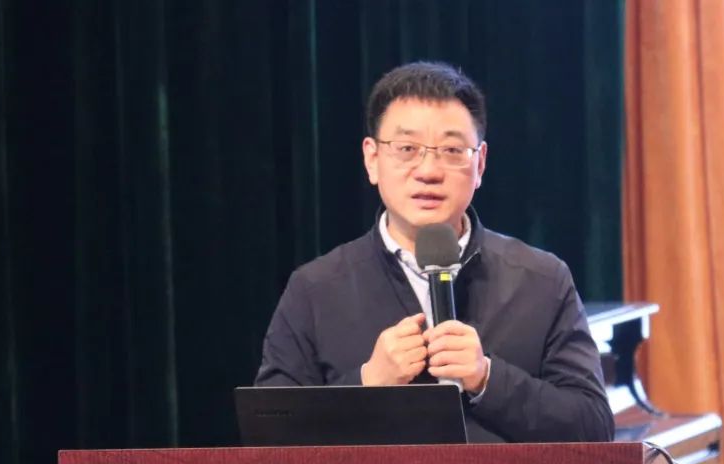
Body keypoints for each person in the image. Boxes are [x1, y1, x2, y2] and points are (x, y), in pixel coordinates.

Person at [255, 61, 613, 443]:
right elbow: (268, 439)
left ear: (480, 164)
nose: (428, 171)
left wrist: (488, 379)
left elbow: (594, 427)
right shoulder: (315, 289)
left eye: (452, 150)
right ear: (372, 159)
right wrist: (367, 383)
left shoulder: (541, 281)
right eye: (407, 149)